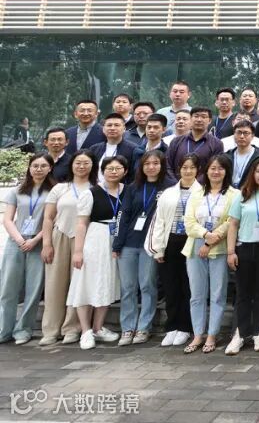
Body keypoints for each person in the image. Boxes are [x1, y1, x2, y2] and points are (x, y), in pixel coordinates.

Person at [113, 150, 173, 345]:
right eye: (147, 164)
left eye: (155, 163)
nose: (151, 167)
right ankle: (127, 328)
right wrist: (117, 243)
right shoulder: (134, 187)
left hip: (151, 245)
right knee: (128, 288)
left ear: (162, 165)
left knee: (147, 285)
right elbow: (124, 215)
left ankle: (144, 327)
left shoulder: (170, 187)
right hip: (129, 243)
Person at [68, 155, 127, 350]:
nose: (113, 172)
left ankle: (98, 327)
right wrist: (78, 251)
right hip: (95, 239)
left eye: (118, 168)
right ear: (103, 171)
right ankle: (85, 331)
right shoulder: (91, 193)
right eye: (109, 168)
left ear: (125, 171)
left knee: (107, 283)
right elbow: (81, 223)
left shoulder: (127, 191)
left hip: (117, 240)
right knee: (86, 283)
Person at [182, 154, 239, 354]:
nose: (216, 172)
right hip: (196, 246)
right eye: (212, 168)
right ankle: (198, 334)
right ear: (206, 170)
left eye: (220, 168)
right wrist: (206, 235)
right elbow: (189, 222)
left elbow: (232, 221)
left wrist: (212, 239)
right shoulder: (196, 193)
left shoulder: (234, 194)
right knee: (196, 294)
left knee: (217, 294)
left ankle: (212, 334)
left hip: (220, 246)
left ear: (227, 171)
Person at [39, 150, 94, 346]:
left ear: (92, 166)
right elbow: (48, 217)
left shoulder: (96, 188)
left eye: (86, 163)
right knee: (54, 284)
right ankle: (51, 330)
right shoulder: (60, 188)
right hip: (60, 235)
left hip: (86, 239)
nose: (81, 166)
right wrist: (46, 243)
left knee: (78, 284)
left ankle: (72, 328)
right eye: (78, 162)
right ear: (71, 165)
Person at [224, 157, 259, 355]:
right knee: (243, 293)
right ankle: (239, 334)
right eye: (258, 171)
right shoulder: (242, 195)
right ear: (252, 174)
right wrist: (231, 251)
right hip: (244, 248)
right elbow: (233, 224)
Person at [0, 153, 55, 345]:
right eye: (35, 166)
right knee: (8, 287)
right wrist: (19, 239)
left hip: (39, 243)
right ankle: (4, 329)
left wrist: (35, 240)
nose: (38, 169)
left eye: (43, 166)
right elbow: (7, 219)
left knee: (34, 288)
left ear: (50, 168)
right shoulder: (16, 191)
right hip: (16, 242)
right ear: (29, 168)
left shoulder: (54, 191)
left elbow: (52, 220)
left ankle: (23, 329)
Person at [146, 153, 198, 348]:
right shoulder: (168, 193)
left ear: (198, 170)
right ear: (178, 170)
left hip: (191, 243)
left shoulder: (202, 192)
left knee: (188, 286)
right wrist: (158, 249)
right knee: (171, 286)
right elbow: (159, 221)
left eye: (192, 167)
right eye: (184, 167)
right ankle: (172, 326)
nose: (188, 171)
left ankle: (185, 327)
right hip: (170, 242)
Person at [166, 107, 224, 181]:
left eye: (203, 117)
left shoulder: (216, 144)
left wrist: (195, 185)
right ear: (190, 119)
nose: (199, 120)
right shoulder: (176, 141)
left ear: (209, 120)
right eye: (196, 116)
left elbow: (215, 168)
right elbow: (168, 165)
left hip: (202, 186)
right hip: (176, 185)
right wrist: (176, 183)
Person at [88, 113, 138, 183]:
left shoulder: (133, 149)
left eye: (116, 125)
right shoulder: (94, 149)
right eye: (109, 125)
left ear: (124, 129)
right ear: (103, 129)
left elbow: (134, 175)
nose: (112, 128)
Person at [227, 120, 259, 189]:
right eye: (239, 132)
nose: (242, 136)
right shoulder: (227, 156)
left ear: (252, 136)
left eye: (246, 133)